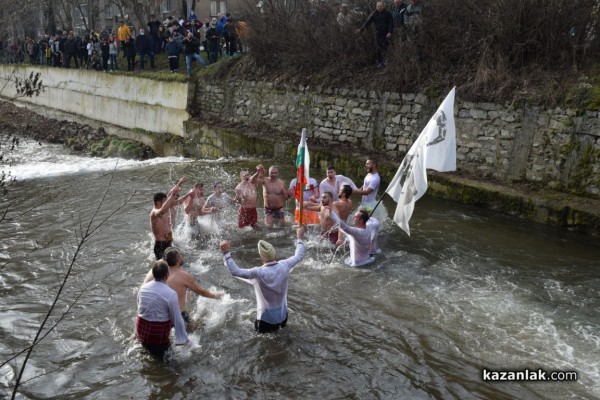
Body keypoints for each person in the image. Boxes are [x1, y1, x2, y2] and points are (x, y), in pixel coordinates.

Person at [220, 226, 305, 333]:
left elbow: (235, 271)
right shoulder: (285, 265)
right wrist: (299, 238)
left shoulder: (258, 272)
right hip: (283, 317)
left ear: (261, 257)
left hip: (265, 320)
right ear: (274, 254)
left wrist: (226, 253)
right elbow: (299, 255)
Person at [143, 247, 223, 326]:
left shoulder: (156, 272)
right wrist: (215, 295)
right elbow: (200, 291)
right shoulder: (184, 276)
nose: (182, 257)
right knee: (197, 327)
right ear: (178, 260)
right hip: (177, 316)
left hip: (157, 315)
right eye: (181, 256)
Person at [136, 260, 189, 356]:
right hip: (157, 337)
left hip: (141, 331)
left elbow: (140, 310)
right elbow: (177, 319)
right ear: (167, 275)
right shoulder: (171, 294)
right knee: (173, 365)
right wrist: (185, 340)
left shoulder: (143, 288)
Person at [150, 177, 186, 259]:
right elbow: (162, 210)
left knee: (177, 263)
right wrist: (173, 195)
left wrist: (179, 184)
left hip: (168, 240)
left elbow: (169, 194)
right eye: (164, 201)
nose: (167, 202)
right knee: (164, 268)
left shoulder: (163, 207)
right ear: (158, 202)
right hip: (161, 245)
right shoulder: (155, 212)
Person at [357, 1, 393, 68]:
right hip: (378, 33)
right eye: (378, 6)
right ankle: (379, 62)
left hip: (386, 34)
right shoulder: (374, 14)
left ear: (383, 6)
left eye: (380, 6)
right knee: (378, 48)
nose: (379, 7)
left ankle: (386, 61)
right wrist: (361, 29)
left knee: (386, 47)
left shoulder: (388, 13)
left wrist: (390, 32)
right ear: (376, 7)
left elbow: (391, 23)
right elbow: (367, 22)